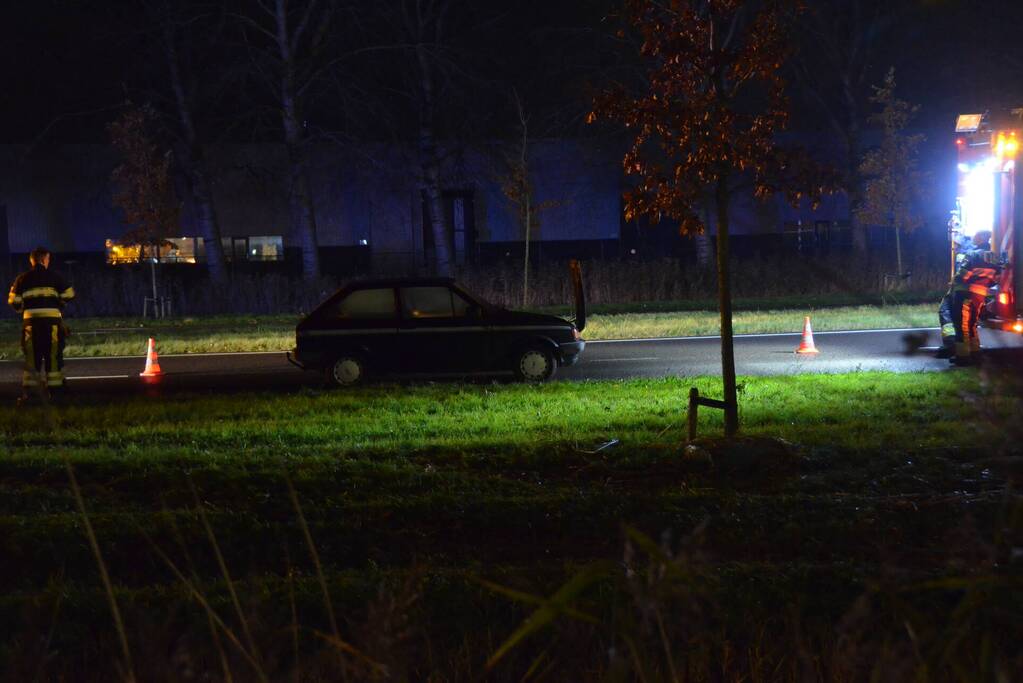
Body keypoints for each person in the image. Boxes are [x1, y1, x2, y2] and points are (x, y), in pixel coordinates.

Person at [7, 247, 75, 402]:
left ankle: (30, 395)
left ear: (32, 260)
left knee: (31, 359)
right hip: (52, 326)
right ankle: (56, 394)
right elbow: (70, 295)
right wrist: (58, 301)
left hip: (31, 326)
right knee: (53, 358)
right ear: (44, 259)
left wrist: (23, 307)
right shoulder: (55, 277)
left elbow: (13, 301)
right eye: (48, 259)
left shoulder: (22, 278)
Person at [949, 230, 1000, 365]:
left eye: (976, 236)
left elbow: (963, 275)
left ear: (981, 238)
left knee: (961, 324)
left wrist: (953, 282)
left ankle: (963, 357)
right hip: (980, 295)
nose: (973, 238)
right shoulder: (995, 257)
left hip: (964, 293)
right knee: (972, 324)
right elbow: (996, 279)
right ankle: (975, 352)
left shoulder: (972, 255)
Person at [936, 232, 979, 358]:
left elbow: (963, 273)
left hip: (961, 290)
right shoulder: (970, 250)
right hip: (963, 290)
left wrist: (955, 281)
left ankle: (955, 348)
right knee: (966, 322)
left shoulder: (967, 250)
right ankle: (969, 350)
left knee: (956, 318)